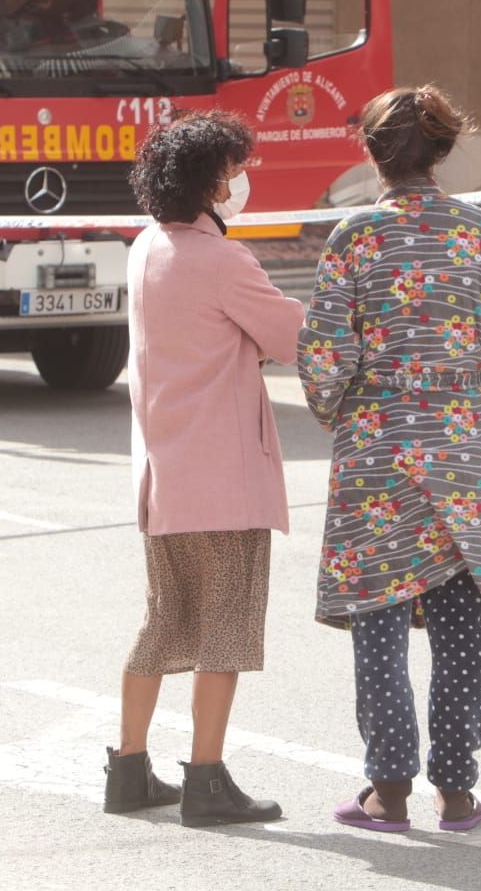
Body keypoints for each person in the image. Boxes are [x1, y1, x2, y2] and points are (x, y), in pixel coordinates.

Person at [302, 86, 481, 834]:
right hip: (460, 457)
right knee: (463, 634)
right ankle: (458, 793)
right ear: (440, 150)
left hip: (375, 457)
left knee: (379, 628)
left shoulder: (354, 236)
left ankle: (389, 789)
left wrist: (348, 406)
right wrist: (465, 402)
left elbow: (325, 358)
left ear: (371, 153)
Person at [108, 110, 305, 826]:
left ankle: (128, 767)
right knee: (223, 631)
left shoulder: (145, 247)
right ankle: (207, 779)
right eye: (230, 171)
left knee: (165, 622)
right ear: (208, 183)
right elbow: (290, 335)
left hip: (163, 477)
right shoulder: (224, 259)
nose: (238, 182)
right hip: (224, 479)